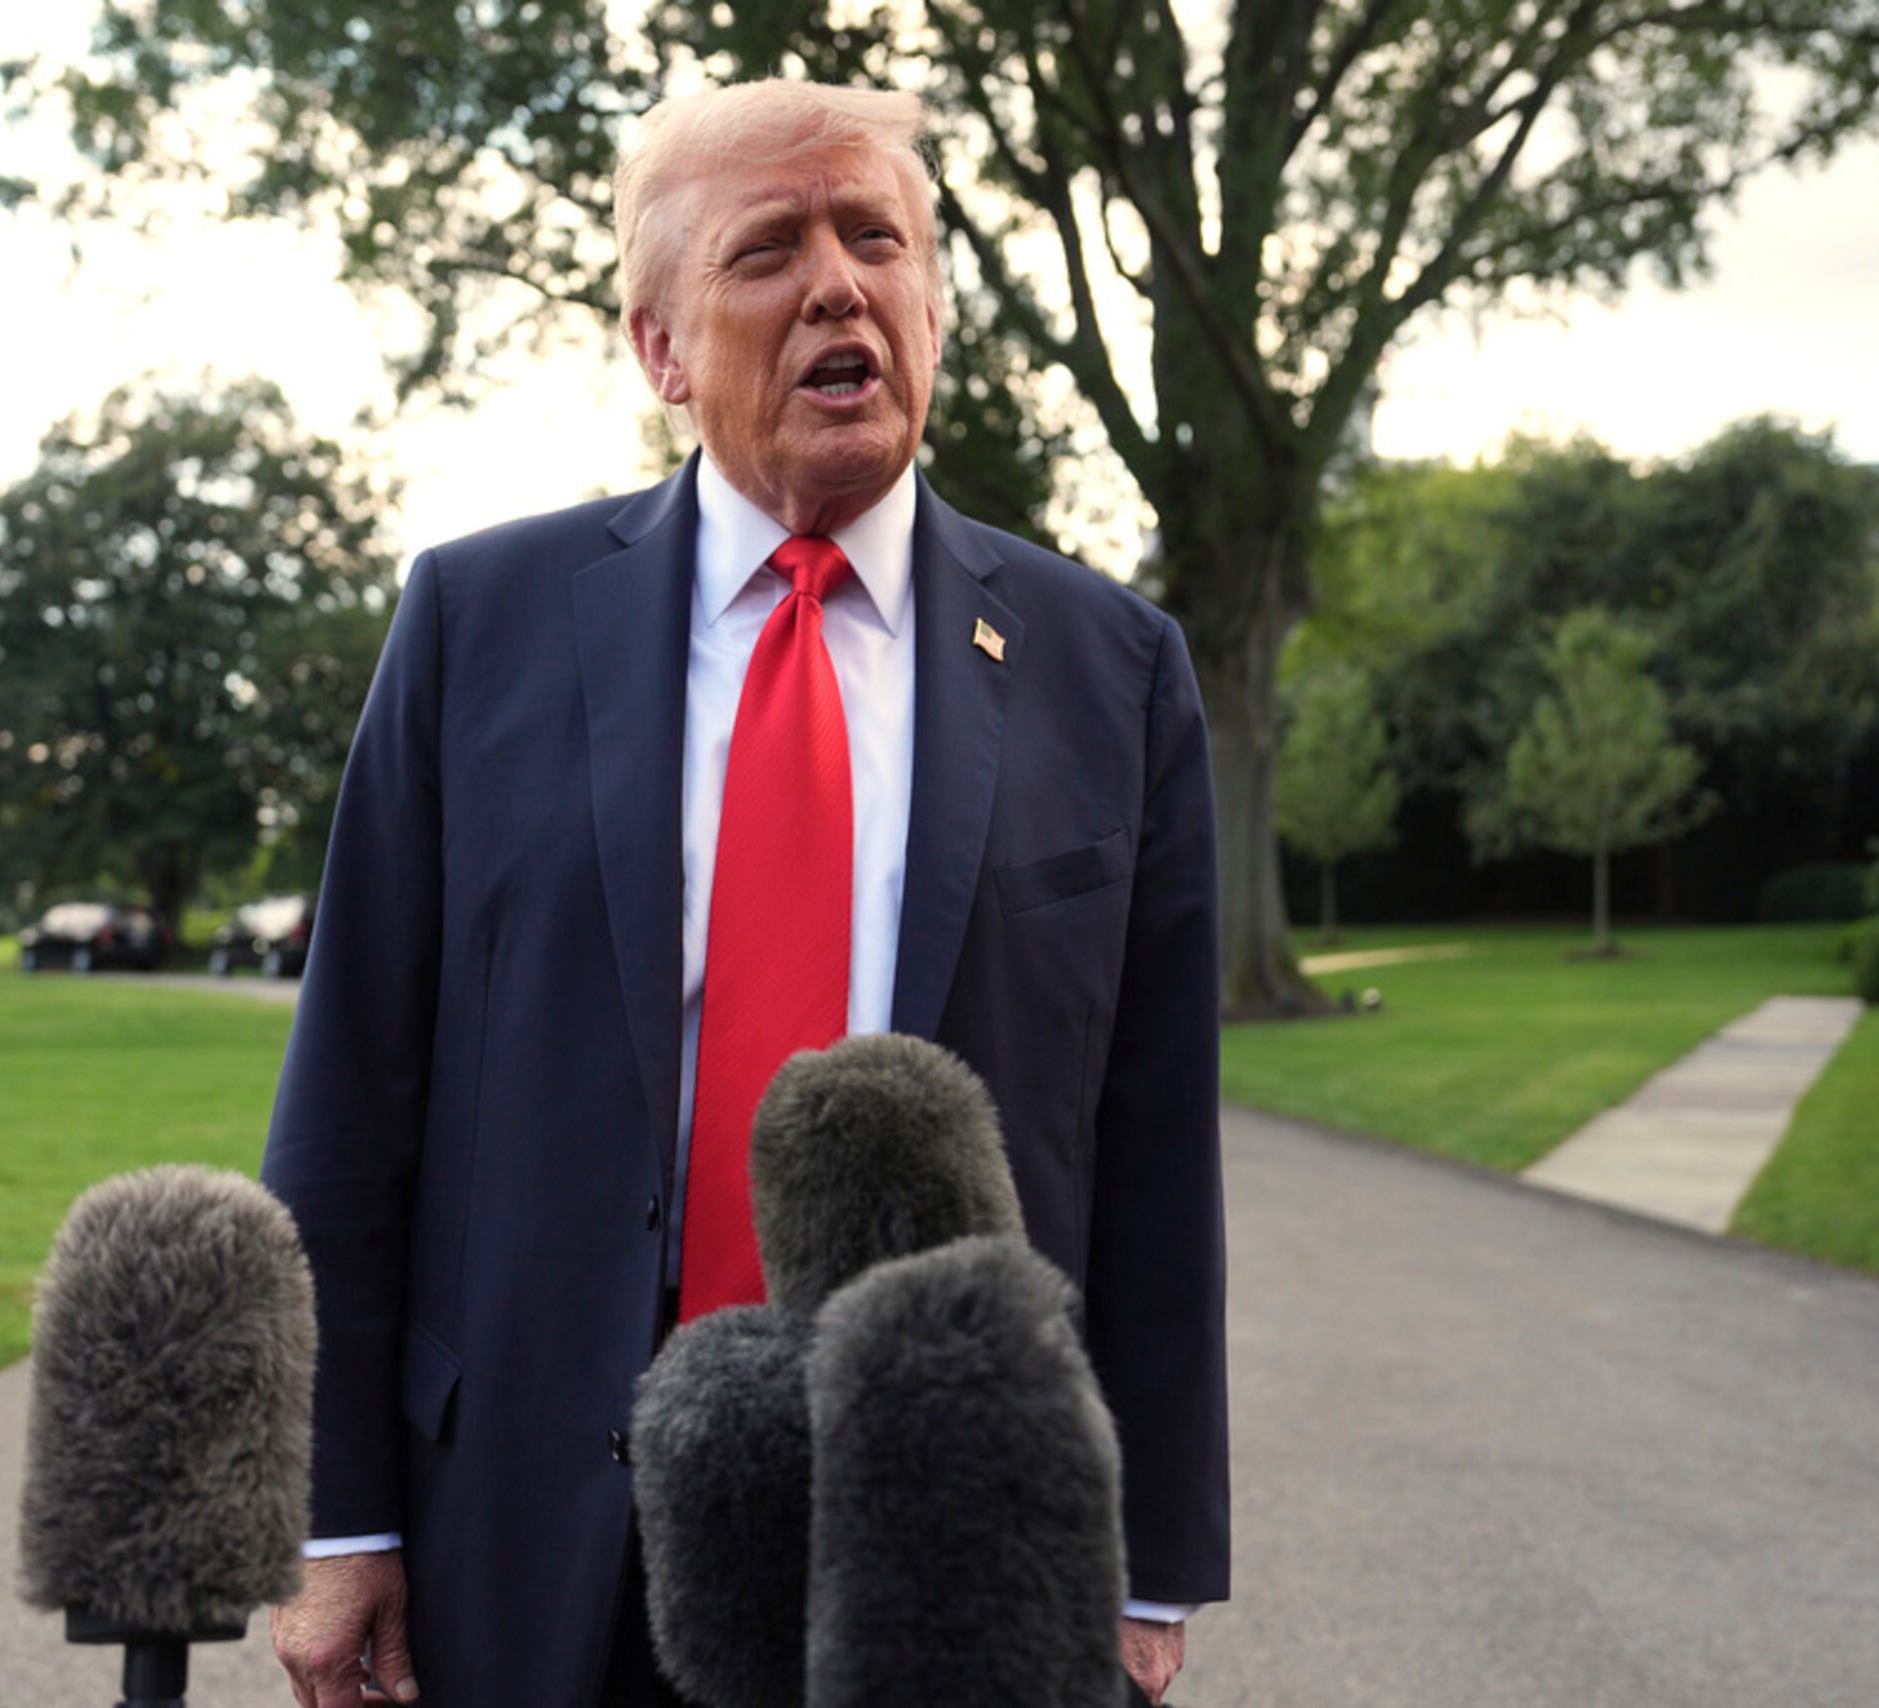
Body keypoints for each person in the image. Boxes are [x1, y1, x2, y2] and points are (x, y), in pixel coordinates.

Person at [260, 79, 1228, 1708]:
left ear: (930, 297)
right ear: (659, 348)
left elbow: (1149, 1158)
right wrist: (336, 1520)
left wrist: (1151, 1566)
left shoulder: (1112, 673)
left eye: (879, 239)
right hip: (540, 1521)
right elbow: (354, 1093)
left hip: (953, 1535)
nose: (839, 284)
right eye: (769, 249)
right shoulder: (473, 627)